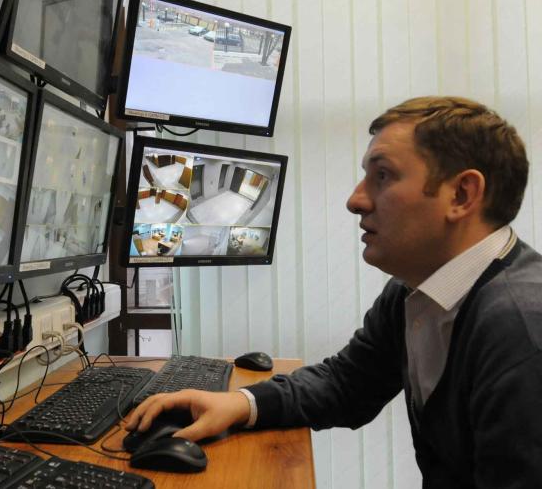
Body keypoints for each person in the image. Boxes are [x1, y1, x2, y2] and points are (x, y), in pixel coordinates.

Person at [125, 96, 542, 487]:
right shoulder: (414, 292)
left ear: (462, 195)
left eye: (383, 176)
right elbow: (348, 384)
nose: (355, 200)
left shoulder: (521, 328)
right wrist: (241, 404)